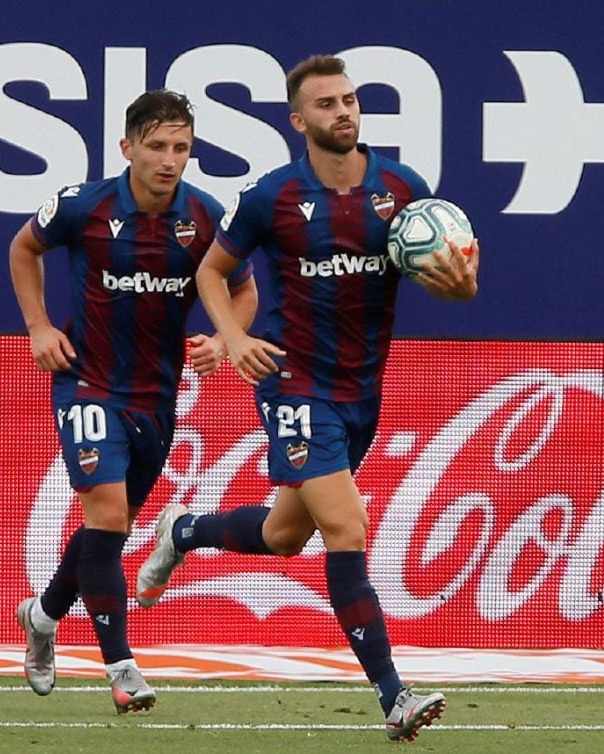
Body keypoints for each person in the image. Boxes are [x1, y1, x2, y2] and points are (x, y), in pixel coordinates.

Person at [136, 55, 479, 742]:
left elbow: (459, 281)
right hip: (292, 383)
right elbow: (212, 271)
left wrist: (459, 285)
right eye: (326, 104)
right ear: (299, 121)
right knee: (347, 529)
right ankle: (394, 696)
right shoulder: (274, 197)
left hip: (361, 392)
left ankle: (184, 531)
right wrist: (232, 338)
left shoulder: (403, 190)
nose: (344, 112)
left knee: (284, 535)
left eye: (349, 100)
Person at [9, 90, 257, 714]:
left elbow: (243, 289)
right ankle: (121, 668)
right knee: (109, 514)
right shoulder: (84, 206)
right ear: (127, 148)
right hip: (87, 380)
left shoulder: (204, 216)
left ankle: (41, 617)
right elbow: (23, 249)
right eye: (156, 146)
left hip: (156, 396)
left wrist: (225, 341)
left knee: (107, 527)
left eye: (180, 148)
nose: (169, 160)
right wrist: (40, 326)